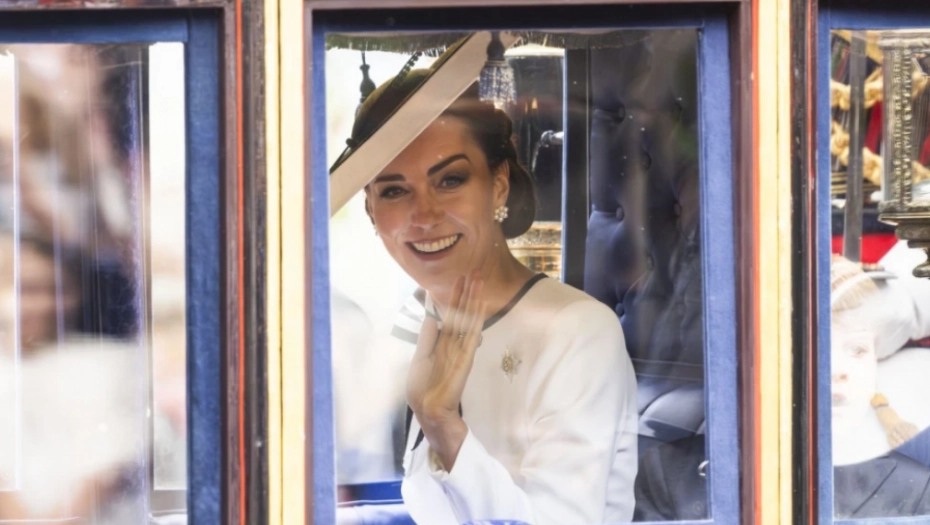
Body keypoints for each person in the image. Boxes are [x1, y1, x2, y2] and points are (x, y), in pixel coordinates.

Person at [336, 53, 639, 525]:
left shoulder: (577, 331)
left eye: (450, 180)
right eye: (394, 190)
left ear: (498, 185)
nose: (425, 215)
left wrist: (441, 423)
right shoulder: (418, 319)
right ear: (371, 209)